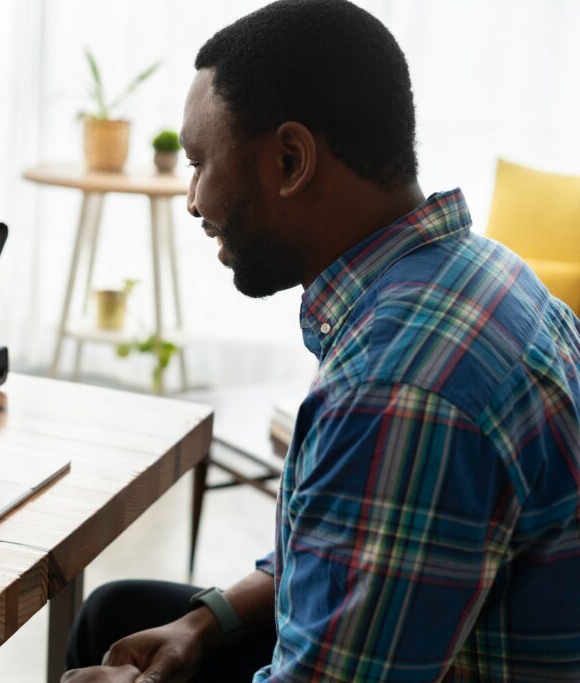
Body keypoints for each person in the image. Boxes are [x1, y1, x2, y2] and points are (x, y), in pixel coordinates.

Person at [62, 1, 580, 681]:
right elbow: (352, 548)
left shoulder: (397, 388)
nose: (192, 199)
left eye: (199, 162)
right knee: (117, 612)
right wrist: (205, 620)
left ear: (289, 159)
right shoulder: (480, 273)